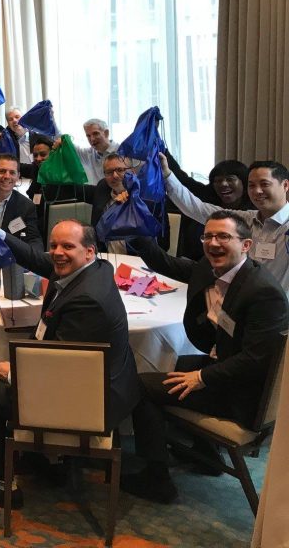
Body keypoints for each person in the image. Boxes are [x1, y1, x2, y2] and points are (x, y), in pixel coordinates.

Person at [0, 215, 139, 508]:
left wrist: (14, 374)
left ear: (88, 250)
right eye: (53, 245)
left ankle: (3, 487)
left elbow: (65, 373)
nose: (56, 253)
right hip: (104, 380)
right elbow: (33, 258)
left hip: (92, 402)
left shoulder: (87, 301)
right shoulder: (93, 269)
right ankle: (44, 458)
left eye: (67, 246)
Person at [124, 211, 289, 503]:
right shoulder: (211, 268)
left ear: (246, 245)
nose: (214, 243)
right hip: (225, 366)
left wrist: (202, 378)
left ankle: (157, 479)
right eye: (208, 236)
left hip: (246, 394)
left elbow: (256, 360)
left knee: (140, 386)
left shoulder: (263, 293)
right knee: (181, 363)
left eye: (224, 236)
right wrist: (137, 234)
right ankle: (204, 453)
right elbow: (171, 265)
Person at [161, 156, 289, 290]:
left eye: (264, 184)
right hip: (242, 300)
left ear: (285, 185)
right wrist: (166, 175)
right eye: (252, 185)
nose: (257, 191)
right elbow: (197, 209)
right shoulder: (245, 219)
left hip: (280, 307)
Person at [164, 154, 251, 260]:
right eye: (218, 180)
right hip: (194, 262)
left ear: (244, 183)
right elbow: (182, 179)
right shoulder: (206, 199)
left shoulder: (252, 214)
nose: (223, 184)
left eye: (230, 179)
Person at [75, 118, 118, 184]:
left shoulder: (122, 151)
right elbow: (65, 143)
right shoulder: (89, 153)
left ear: (106, 133)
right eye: (88, 136)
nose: (92, 139)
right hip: (98, 193)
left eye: (95, 134)